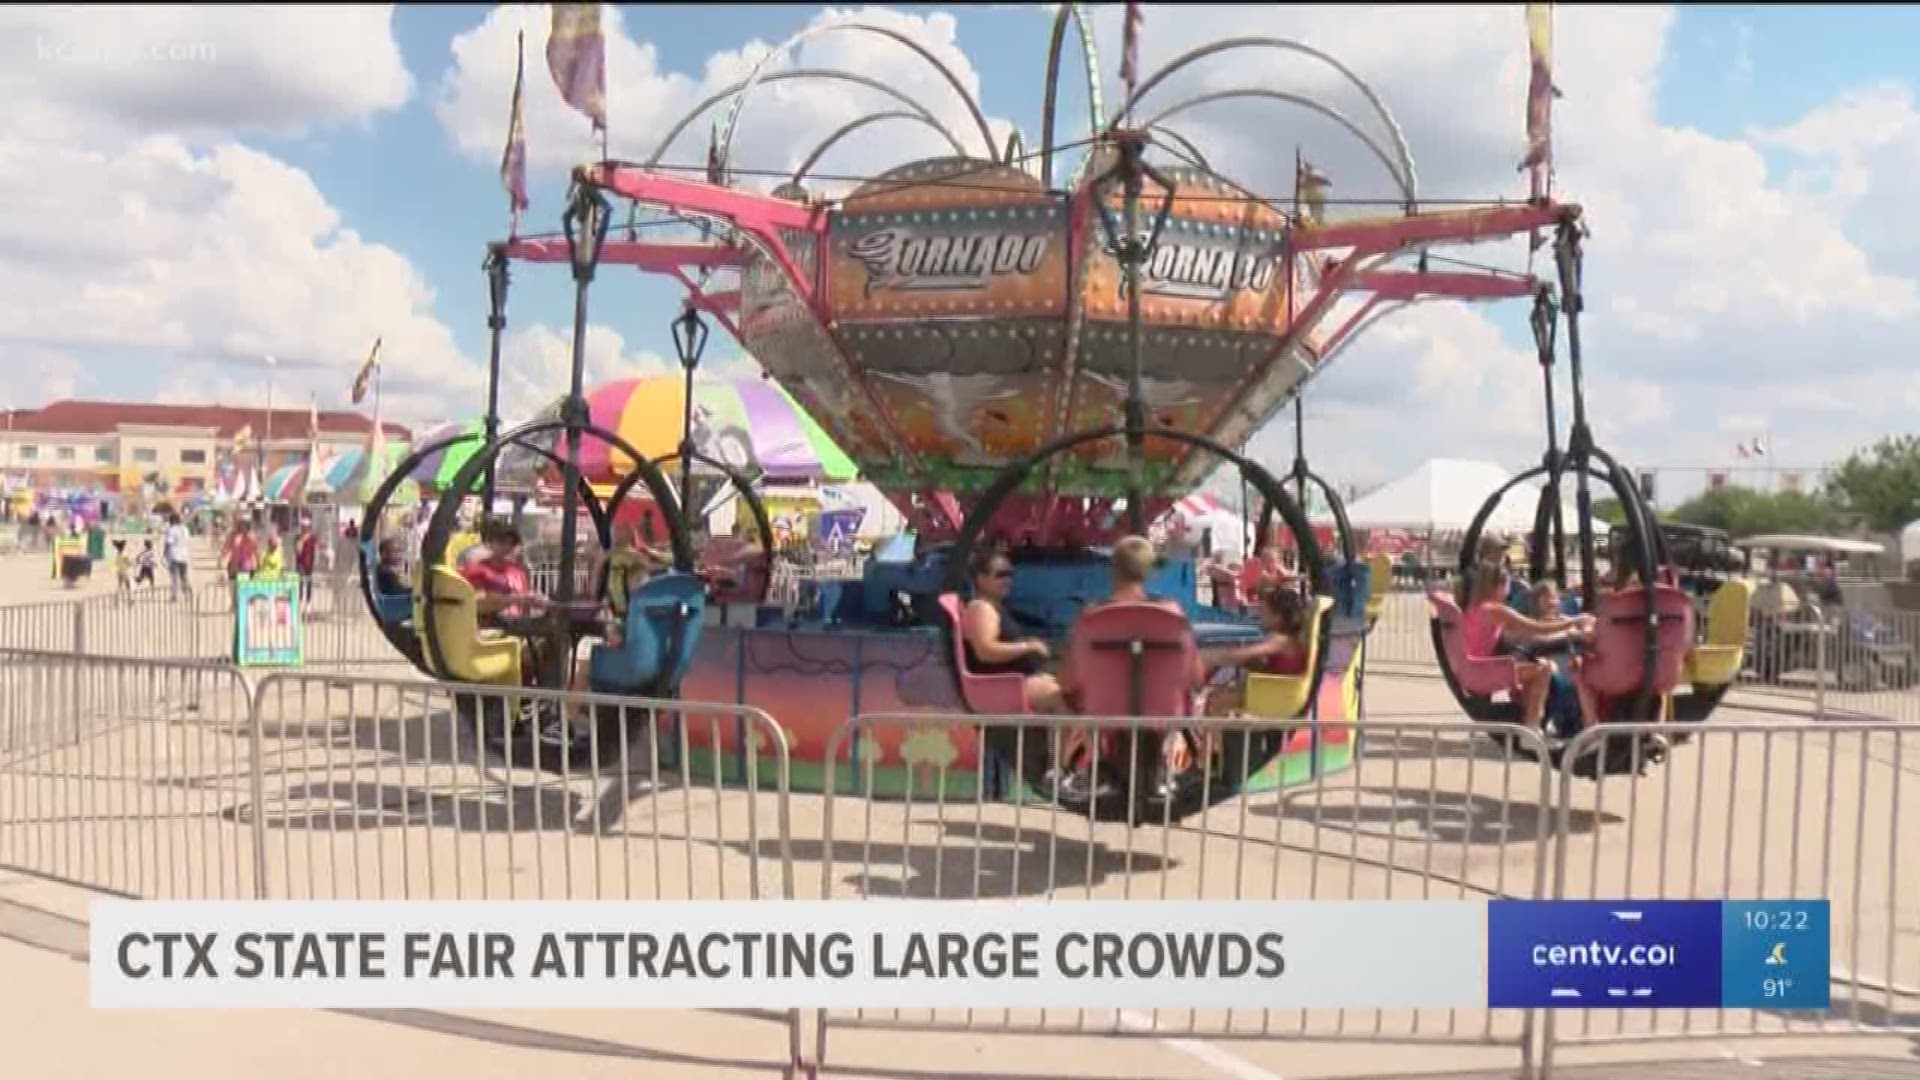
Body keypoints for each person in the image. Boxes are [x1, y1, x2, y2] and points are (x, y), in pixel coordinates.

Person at [1057, 536, 1205, 791]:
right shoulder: (1172, 615)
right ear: (1148, 570)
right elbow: (1196, 677)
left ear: (1113, 568)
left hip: (1102, 710)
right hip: (1163, 709)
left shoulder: (1092, 617)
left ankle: (1067, 767)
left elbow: (1068, 680)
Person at [1461, 564, 1594, 733]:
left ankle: (1529, 723)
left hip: (1475, 668)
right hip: (1483, 671)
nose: (1509, 591)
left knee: (1537, 667)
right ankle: (1532, 727)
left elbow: (1516, 633)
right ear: (1499, 585)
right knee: (1543, 669)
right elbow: (1536, 627)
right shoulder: (1495, 610)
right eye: (1508, 585)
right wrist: (1575, 621)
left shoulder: (1476, 609)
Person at [960, 549, 1065, 713]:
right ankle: (1078, 739)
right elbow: (985, 651)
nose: (1007, 580)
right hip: (1001, 686)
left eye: (1010, 574)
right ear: (981, 579)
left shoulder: (996, 608)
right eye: (1001, 575)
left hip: (1019, 680)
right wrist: (1028, 647)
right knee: (1061, 697)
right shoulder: (981, 608)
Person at [1201, 585, 1312, 717]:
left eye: (1263, 611)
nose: (1259, 615)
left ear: (1277, 617)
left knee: (1217, 700)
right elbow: (1271, 667)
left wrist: (1214, 657)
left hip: (1276, 695)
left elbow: (1247, 653)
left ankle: (1212, 738)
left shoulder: (1279, 640)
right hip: (1282, 692)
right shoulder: (1291, 640)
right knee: (1220, 694)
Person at [1531, 579, 1601, 737]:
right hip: (1555, 680)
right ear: (1536, 602)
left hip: (1573, 675)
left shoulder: (1568, 621)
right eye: (1544, 598)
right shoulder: (1535, 625)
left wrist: (1586, 628)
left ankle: (1588, 725)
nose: (1550, 602)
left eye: (1552, 597)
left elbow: (1588, 623)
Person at [163, 513, 193, 601]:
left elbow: (169, 542)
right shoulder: (185, 529)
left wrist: (164, 552)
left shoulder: (171, 530)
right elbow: (187, 540)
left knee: (174, 577)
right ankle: (187, 595)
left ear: (172, 520)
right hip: (184, 555)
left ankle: (175, 595)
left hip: (174, 555)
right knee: (184, 576)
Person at [294, 519, 317, 604]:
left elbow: (314, 550)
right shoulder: (298, 537)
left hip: (309, 562)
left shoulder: (312, 538)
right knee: (300, 581)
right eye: (303, 527)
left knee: (308, 581)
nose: (304, 528)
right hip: (300, 562)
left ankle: (308, 599)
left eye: (306, 527)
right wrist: (300, 541)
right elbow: (297, 549)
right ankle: (300, 598)